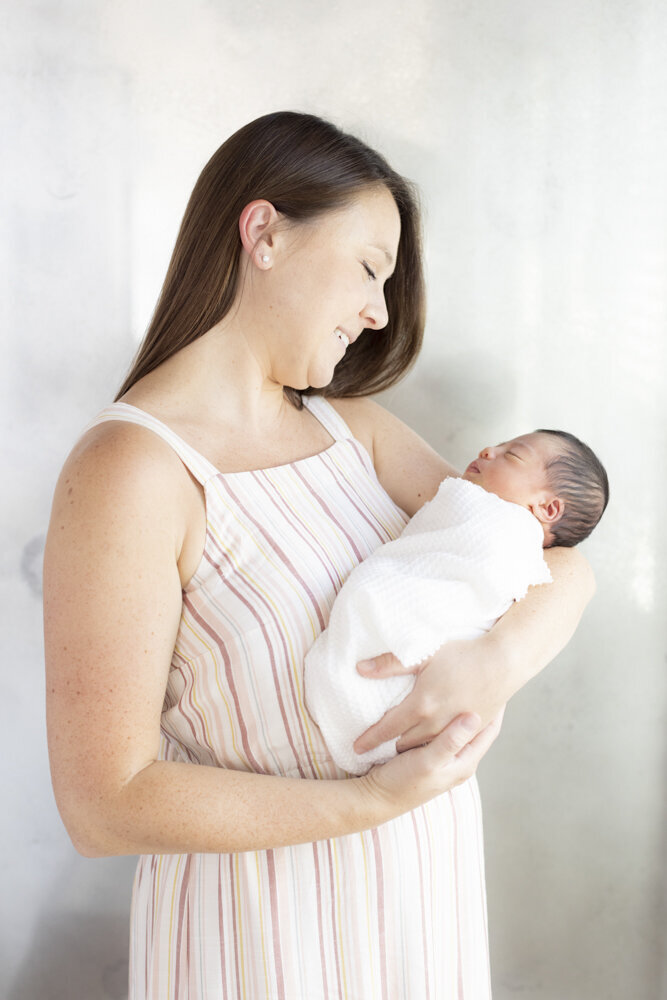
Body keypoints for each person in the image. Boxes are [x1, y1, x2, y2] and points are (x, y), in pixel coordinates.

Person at [43, 112, 595, 999]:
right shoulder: (134, 472)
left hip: (424, 920)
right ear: (263, 233)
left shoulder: (357, 433)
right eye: (370, 267)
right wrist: (372, 803)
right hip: (260, 947)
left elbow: (558, 562)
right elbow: (104, 804)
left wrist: (496, 660)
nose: (380, 311)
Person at [306, 430, 609, 774]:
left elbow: (499, 587)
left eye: (512, 455)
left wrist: (493, 660)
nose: (489, 449)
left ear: (547, 507)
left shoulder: (514, 539)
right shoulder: (469, 506)